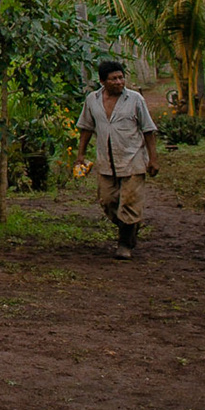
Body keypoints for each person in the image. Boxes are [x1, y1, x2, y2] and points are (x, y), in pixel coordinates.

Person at [75, 59, 159, 260]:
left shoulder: (135, 99)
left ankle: (125, 244)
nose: (119, 82)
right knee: (107, 200)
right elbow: (86, 128)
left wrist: (153, 159)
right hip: (106, 160)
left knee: (129, 201)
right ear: (103, 81)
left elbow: (148, 130)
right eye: (114, 79)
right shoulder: (92, 100)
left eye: (121, 77)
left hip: (133, 158)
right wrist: (80, 155)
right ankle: (130, 226)